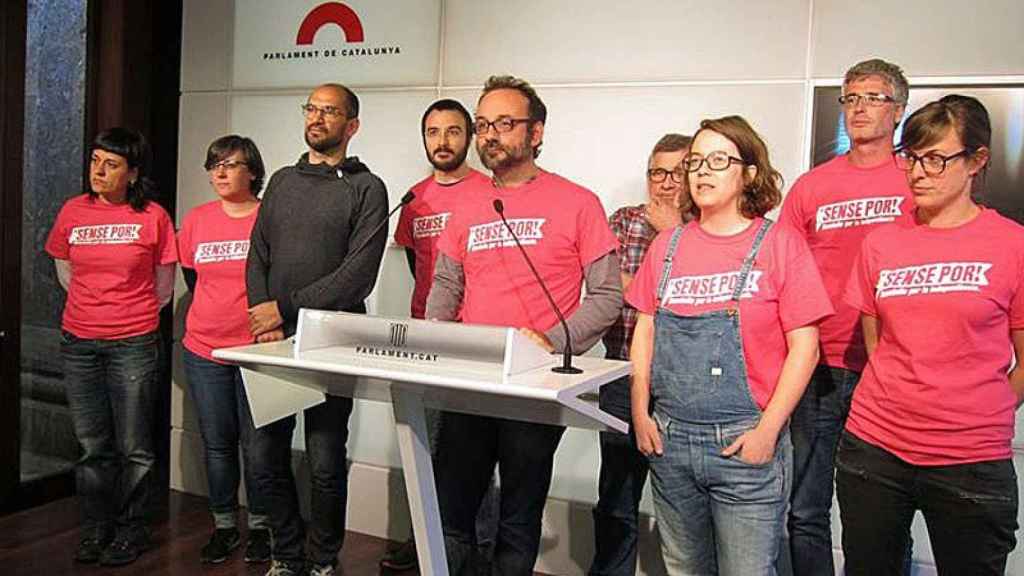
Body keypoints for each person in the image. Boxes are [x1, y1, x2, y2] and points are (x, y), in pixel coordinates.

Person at [427, 75, 622, 575]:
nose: (490, 134)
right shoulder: (467, 204)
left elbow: (606, 296)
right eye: (484, 124)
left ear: (536, 133)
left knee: (518, 516)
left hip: (533, 388)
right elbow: (445, 290)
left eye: (505, 123)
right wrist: (437, 345)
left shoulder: (577, 202)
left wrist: (553, 344)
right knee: (451, 514)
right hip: (469, 383)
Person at [627, 116, 832, 575]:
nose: (702, 171)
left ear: (750, 173)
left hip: (745, 445)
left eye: (718, 160)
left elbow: (806, 348)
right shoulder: (668, 246)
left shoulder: (780, 244)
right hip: (671, 441)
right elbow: (646, 331)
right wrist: (641, 412)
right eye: (695, 162)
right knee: (684, 569)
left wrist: (767, 432)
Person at [837, 95, 1022, 575]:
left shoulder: (1012, 246)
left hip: (971, 459)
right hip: (875, 449)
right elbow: (877, 341)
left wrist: (984, 408)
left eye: (937, 159)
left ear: (977, 161)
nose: (919, 172)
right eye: (912, 157)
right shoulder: (882, 244)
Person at [246, 83, 389, 576]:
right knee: (265, 455)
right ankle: (286, 555)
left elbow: (357, 276)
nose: (318, 118)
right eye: (312, 108)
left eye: (331, 112)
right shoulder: (283, 181)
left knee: (326, 461)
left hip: (334, 339)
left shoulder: (367, 188)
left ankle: (322, 559)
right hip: (273, 339)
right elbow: (257, 253)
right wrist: (262, 312)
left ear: (351, 126)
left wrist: (281, 307)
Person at [777, 58, 913, 575]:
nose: (859, 108)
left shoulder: (916, 180)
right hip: (817, 364)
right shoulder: (812, 186)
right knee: (806, 508)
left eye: (873, 98)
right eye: (850, 98)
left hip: (888, 366)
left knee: (883, 514)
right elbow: (782, 269)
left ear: (898, 110)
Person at [45, 127, 177, 566]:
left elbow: (164, 287)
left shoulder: (153, 216)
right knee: (92, 445)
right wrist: (93, 306)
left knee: (134, 445)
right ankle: (95, 527)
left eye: (111, 164)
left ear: (133, 173)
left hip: (134, 342)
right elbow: (64, 269)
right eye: (95, 161)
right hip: (79, 340)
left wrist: (126, 313)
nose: (99, 171)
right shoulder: (72, 211)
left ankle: (131, 529)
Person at [382, 98, 500, 573]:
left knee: (479, 451)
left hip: (476, 339)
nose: (443, 141)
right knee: (424, 444)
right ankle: (425, 541)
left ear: (469, 136)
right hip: (425, 337)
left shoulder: (489, 189)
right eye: (433, 132)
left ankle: (481, 548)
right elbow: (419, 269)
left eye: (453, 131)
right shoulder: (414, 199)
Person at [590, 133, 691, 576]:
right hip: (621, 373)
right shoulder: (622, 221)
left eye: (677, 172)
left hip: (682, 382)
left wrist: (671, 238)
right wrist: (647, 288)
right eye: (657, 172)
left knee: (683, 504)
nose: (665, 183)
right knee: (616, 499)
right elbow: (609, 294)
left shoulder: (709, 227)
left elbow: (698, 302)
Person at [177, 135, 271, 564]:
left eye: (231, 164)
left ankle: (262, 528)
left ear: (252, 171)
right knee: (218, 443)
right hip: (204, 348)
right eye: (214, 164)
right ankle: (224, 525)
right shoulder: (196, 219)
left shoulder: (269, 218)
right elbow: (193, 279)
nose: (219, 172)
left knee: (259, 446)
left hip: (256, 351)